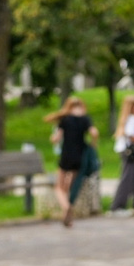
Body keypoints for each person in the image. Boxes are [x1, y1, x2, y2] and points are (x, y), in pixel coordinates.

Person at [48, 96, 96, 229]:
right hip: (80, 156)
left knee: (59, 187)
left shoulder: (65, 119)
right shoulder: (85, 119)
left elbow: (56, 138)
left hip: (66, 156)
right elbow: (94, 133)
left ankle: (66, 206)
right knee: (70, 188)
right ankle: (68, 218)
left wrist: (53, 138)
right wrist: (93, 145)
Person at [110, 95, 134, 214]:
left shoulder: (129, 119)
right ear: (133, 107)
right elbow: (132, 137)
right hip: (129, 152)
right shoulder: (132, 119)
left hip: (126, 151)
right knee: (127, 179)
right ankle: (117, 207)